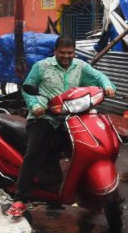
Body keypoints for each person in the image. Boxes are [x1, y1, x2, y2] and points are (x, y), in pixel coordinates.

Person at [11, 36, 116, 217]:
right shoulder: (41, 66)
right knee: (35, 153)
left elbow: (98, 76)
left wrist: (107, 85)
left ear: (74, 52)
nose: (66, 56)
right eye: (62, 53)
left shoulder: (80, 67)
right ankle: (20, 197)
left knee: (86, 151)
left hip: (71, 119)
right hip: (44, 118)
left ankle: (85, 193)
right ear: (55, 51)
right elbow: (27, 87)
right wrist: (35, 105)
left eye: (70, 53)